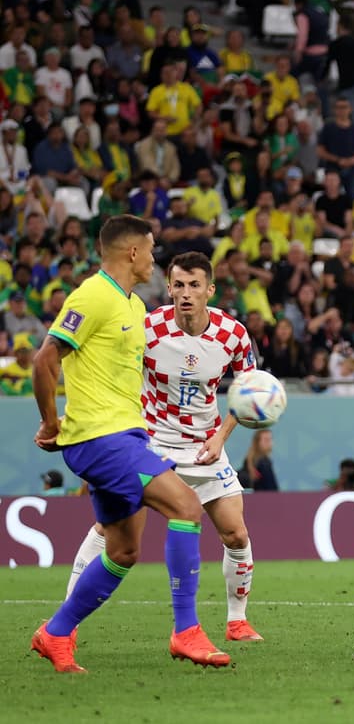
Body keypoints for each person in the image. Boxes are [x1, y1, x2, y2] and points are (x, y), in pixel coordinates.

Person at [30, 216, 230, 672]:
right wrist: (51, 422)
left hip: (126, 435)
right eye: (152, 248)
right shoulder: (92, 296)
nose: (156, 257)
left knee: (123, 550)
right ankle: (187, 632)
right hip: (101, 438)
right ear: (133, 253)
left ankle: (55, 634)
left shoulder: (135, 307)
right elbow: (45, 358)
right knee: (185, 507)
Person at [62, 251, 263, 642]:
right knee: (110, 529)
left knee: (236, 534)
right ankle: (67, 621)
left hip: (206, 447)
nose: (186, 293)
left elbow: (247, 390)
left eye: (194, 285)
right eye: (179, 285)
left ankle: (237, 621)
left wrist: (221, 436)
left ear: (210, 289)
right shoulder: (147, 328)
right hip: (150, 445)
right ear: (168, 287)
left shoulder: (233, 333)